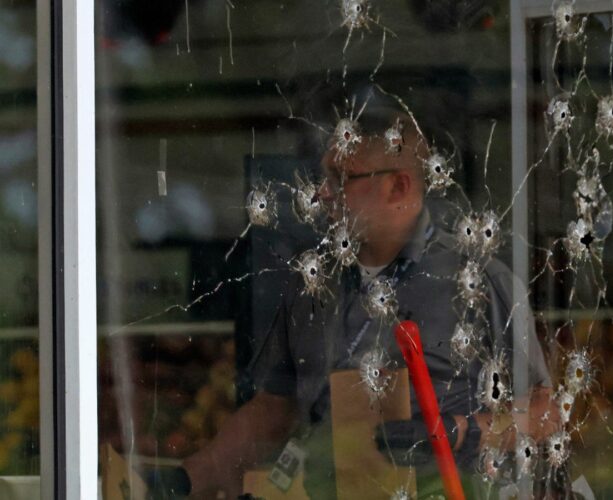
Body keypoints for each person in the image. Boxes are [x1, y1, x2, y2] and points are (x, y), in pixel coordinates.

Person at [146, 114, 560, 499]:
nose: (323, 193)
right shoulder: (312, 284)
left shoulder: (478, 281)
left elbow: (546, 414)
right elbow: (274, 409)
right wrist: (186, 479)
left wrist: (461, 432)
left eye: (340, 178)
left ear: (399, 186)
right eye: (322, 176)